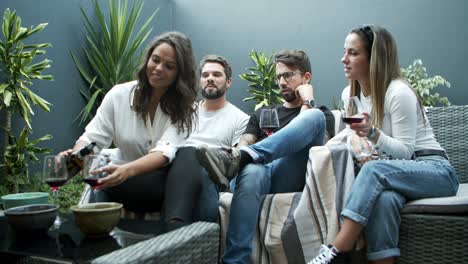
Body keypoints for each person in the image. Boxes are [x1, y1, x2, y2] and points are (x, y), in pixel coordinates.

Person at [309, 25, 459, 264]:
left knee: (373, 171)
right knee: (383, 200)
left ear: (374, 58)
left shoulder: (398, 92)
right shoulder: (350, 93)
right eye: (344, 51)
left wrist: (373, 133)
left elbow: (406, 153)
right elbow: (351, 137)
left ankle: (338, 245)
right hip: (396, 175)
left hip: (435, 171)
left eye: (353, 53)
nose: (343, 59)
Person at [197, 49, 335, 264]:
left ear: (306, 78)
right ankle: (236, 261)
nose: (281, 82)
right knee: (252, 169)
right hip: (254, 177)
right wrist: (245, 150)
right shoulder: (263, 113)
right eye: (278, 76)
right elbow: (245, 140)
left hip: (287, 174)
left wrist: (308, 101)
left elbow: (321, 152)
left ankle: (245, 157)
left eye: (288, 75)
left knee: (314, 117)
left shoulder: (320, 113)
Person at [60, 31, 198, 213]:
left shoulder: (186, 108)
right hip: (120, 177)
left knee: (107, 171)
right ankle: (94, 229)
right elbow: (93, 139)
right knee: (99, 170)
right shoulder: (119, 95)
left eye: (169, 66)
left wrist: (126, 170)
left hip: (163, 184)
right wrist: (74, 159)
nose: (158, 68)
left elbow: (165, 152)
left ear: (179, 74)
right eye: (155, 60)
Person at [162, 54, 249, 223]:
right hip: (176, 171)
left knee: (194, 158)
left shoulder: (240, 119)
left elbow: (235, 161)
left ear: (228, 82)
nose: (210, 78)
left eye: (216, 75)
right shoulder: (184, 113)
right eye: (205, 75)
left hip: (209, 177)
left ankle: (176, 231)